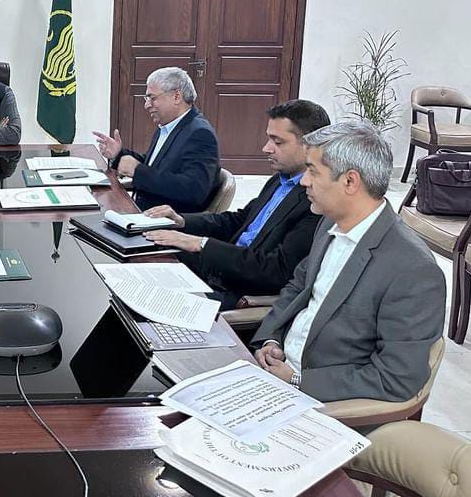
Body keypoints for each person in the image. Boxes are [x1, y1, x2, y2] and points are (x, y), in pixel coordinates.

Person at [251, 121, 445, 403]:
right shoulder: (329, 222)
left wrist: (296, 381)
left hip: (323, 403)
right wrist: (272, 339)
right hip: (274, 374)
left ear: (350, 182)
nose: (304, 181)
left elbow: (397, 378)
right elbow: (298, 287)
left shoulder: (413, 270)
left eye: (313, 171)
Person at [144, 100, 331, 310]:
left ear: (309, 147)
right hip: (219, 272)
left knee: (150, 301)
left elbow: (275, 271)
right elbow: (238, 220)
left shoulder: (315, 202)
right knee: (141, 261)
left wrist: (201, 244)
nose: (266, 148)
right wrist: (182, 221)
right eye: (268, 138)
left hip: (238, 293)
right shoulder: (279, 180)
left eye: (277, 142)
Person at [93, 66, 219, 212]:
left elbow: (194, 190)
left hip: (166, 221)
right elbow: (155, 165)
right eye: (147, 99)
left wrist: (138, 171)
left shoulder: (200, 134)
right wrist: (119, 154)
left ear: (176, 96)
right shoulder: (167, 126)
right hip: (144, 211)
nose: (147, 105)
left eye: (152, 98)